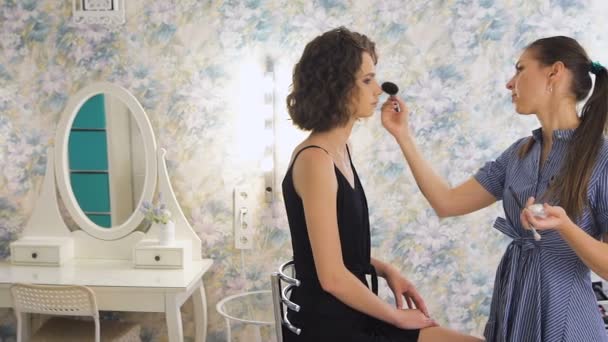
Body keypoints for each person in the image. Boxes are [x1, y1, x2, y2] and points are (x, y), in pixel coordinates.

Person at [381, 36, 608, 341]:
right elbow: (446, 202)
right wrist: (402, 135)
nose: (509, 83)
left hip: (568, 325)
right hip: (512, 312)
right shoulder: (518, 155)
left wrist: (565, 226)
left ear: (555, 73)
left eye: (520, 69)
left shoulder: (602, 159)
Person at [282, 26, 483, 342]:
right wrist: (397, 317)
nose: (377, 90)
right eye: (366, 80)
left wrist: (386, 270)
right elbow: (332, 276)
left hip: (354, 314)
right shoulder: (315, 160)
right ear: (336, 86)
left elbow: (341, 253)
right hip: (329, 328)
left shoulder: (340, 151)